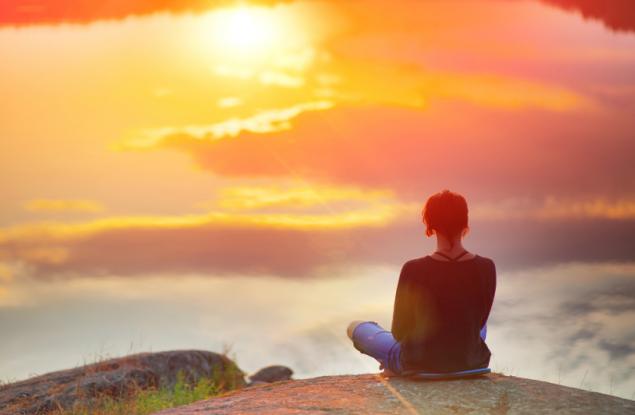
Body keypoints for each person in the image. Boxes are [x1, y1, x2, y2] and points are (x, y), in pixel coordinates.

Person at [346, 189, 496, 376]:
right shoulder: (486, 267)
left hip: (420, 363)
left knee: (356, 328)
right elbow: (480, 322)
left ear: (430, 226)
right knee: (479, 327)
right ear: (465, 224)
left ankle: (392, 364)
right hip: (470, 363)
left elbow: (399, 333)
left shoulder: (413, 269)